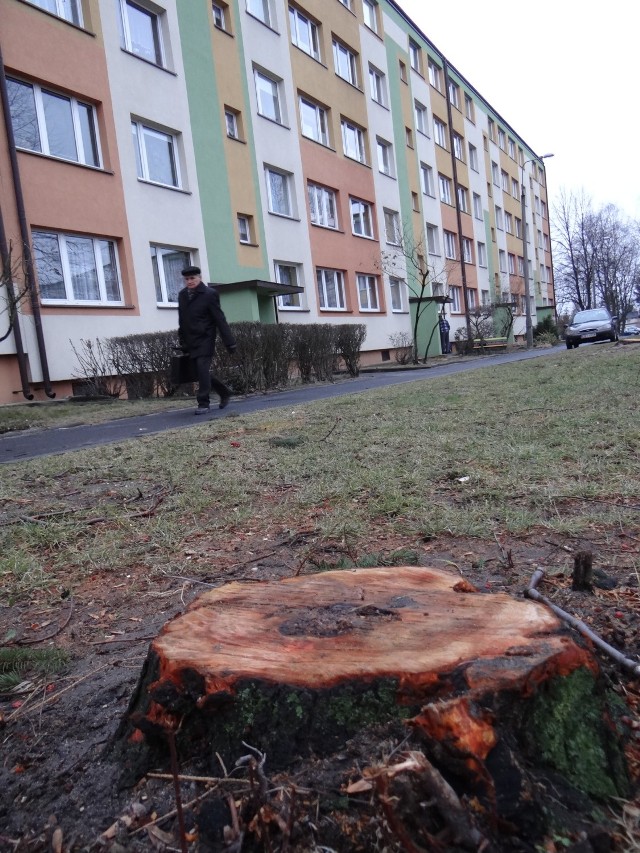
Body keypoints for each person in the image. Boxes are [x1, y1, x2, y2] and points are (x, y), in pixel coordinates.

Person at [177, 266, 237, 415]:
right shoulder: (182, 295)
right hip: (190, 341)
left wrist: (229, 342)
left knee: (202, 370)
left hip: (205, 338)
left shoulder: (210, 294)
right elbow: (182, 319)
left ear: (199, 278)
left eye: (192, 278)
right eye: (187, 279)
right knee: (198, 372)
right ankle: (224, 391)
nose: (189, 281)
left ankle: (203, 403)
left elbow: (219, 318)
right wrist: (182, 339)